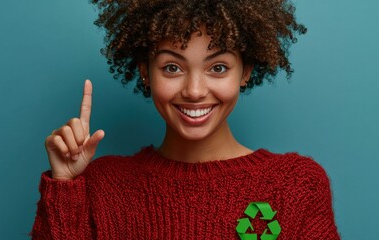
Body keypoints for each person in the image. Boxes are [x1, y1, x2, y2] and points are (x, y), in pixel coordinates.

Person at [30, 0, 340, 239]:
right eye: (172, 68)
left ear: (245, 71)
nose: (194, 91)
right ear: (144, 71)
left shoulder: (297, 185)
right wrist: (64, 185)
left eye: (217, 67)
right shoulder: (102, 186)